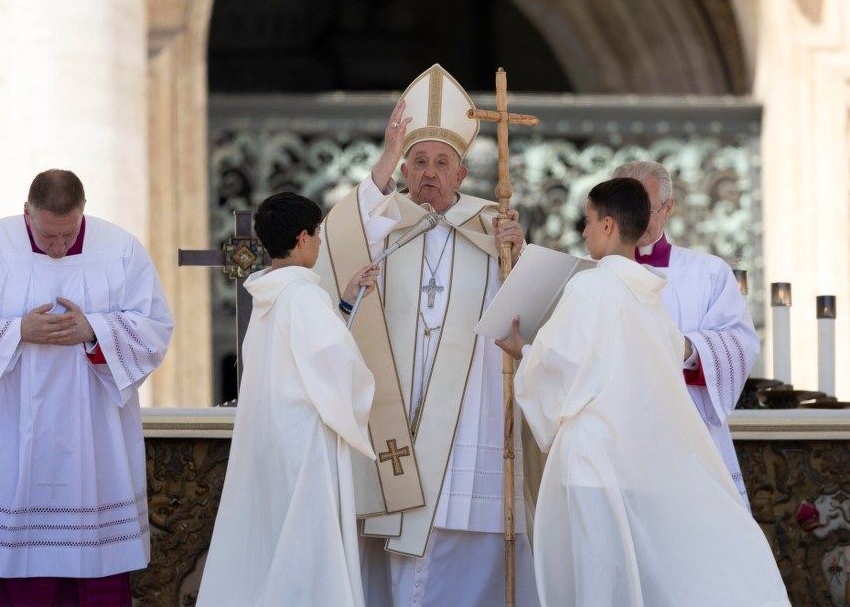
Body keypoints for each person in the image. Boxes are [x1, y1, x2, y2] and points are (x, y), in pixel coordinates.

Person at [496, 177, 790, 607]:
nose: (584, 232)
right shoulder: (652, 297)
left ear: (609, 225)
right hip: (637, 459)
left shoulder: (588, 288)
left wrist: (523, 350)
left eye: (588, 221)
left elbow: (559, 368)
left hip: (593, 461)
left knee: (598, 580)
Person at [314, 64, 538, 607]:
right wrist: (386, 155)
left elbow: (527, 316)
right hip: (399, 416)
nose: (430, 173)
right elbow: (337, 240)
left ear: (462, 174)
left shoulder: (494, 229)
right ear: (403, 171)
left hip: (471, 416)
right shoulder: (382, 222)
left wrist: (517, 254)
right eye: (418, 162)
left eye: (442, 163)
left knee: (471, 552)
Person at [0, 169, 173, 606]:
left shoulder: (121, 250)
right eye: (48, 235)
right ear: (26, 213)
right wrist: (17, 331)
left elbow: (154, 329)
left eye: (69, 234)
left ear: (84, 213)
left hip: (92, 435)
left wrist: (94, 330)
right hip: (4, 432)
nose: (59, 247)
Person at [197, 192, 380, 607]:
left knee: (271, 551)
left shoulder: (269, 296)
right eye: (317, 234)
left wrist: (345, 303)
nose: (319, 242)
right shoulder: (304, 297)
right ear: (302, 237)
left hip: (271, 445)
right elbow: (339, 369)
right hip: (304, 450)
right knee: (305, 558)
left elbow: (302, 357)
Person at [612, 160, 758, 508]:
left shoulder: (708, 273)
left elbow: (739, 343)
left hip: (688, 431)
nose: (635, 219)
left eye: (645, 208)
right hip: (617, 434)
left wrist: (689, 348)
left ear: (669, 208)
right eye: (625, 208)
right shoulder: (589, 273)